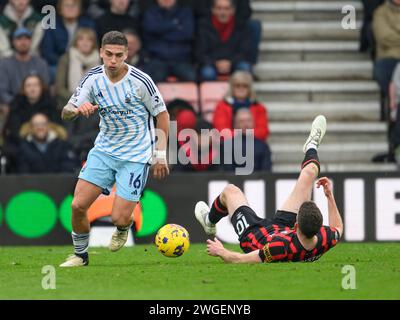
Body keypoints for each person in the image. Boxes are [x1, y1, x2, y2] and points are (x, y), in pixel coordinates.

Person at [59, 31, 170, 267]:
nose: (112, 60)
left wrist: (159, 155)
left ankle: (123, 225)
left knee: (119, 216)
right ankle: (80, 256)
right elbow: (66, 111)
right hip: (104, 151)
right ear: (100, 52)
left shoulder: (141, 81)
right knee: (78, 205)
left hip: (136, 155)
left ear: (126, 55)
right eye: (108, 54)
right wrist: (77, 110)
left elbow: (162, 115)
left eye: (118, 55)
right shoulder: (93, 78)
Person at [195, 115, 343, 263]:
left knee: (230, 191)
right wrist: (329, 196)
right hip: (282, 227)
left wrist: (221, 251)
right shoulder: (325, 238)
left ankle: (209, 221)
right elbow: (338, 227)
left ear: (296, 224)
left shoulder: (279, 247)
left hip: (256, 235)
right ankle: (311, 145)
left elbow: (240, 260)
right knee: (310, 172)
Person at [196, 0, 252, 81]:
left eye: (226, 9)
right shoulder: (203, 26)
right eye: (219, 8)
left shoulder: (241, 26)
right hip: (211, 63)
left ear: (233, 10)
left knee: (244, 67)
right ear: (213, 10)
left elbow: (244, 51)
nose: (222, 12)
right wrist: (216, 63)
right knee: (207, 73)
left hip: (234, 62)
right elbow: (200, 52)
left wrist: (230, 62)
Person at [40, 0, 96, 81]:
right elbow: (47, 51)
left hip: (85, 60)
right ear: (60, 9)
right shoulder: (52, 24)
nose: (70, 8)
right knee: (52, 71)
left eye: (74, 5)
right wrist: (65, 63)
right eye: (67, 6)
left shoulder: (89, 24)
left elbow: (94, 47)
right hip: (60, 62)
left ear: (79, 9)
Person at [142, 0, 196, 82]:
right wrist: (174, 24)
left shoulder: (185, 12)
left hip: (181, 59)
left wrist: (160, 32)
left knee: (192, 76)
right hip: (157, 59)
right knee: (150, 79)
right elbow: (151, 29)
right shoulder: (150, 12)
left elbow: (187, 34)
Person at [0, 27, 50, 106]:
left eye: (26, 38)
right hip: (13, 105)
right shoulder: (4, 63)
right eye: (19, 39)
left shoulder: (41, 63)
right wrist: (16, 104)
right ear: (13, 42)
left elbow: (45, 88)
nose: (23, 42)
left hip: (37, 105)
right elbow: (2, 91)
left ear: (31, 42)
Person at [213, 71, 269, 141]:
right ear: (232, 88)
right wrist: (242, 135)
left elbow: (263, 131)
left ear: (249, 88)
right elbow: (221, 130)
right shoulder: (222, 106)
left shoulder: (259, 107)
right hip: (230, 144)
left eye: (245, 86)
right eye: (237, 85)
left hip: (253, 143)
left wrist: (245, 136)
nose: (241, 89)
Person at [55, 27, 101, 111]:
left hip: (93, 105)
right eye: (81, 39)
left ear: (93, 43)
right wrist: (77, 100)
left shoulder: (100, 60)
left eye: (89, 40)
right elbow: (60, 88)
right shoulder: (66, 58)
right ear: (76, 42)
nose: (85, 43)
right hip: (68, 102)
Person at [372, 0, 400, 97]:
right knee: (383, 73)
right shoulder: (381, 12)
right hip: (389, 58)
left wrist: (395, 32)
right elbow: (383, 37)